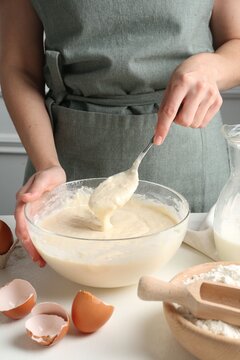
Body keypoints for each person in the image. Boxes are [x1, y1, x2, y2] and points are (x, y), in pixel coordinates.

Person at [0, 0, 240, 267]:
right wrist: (47, 164)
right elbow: (18, 67)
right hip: (63, 164)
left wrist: (212, 68)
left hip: (192, 161)